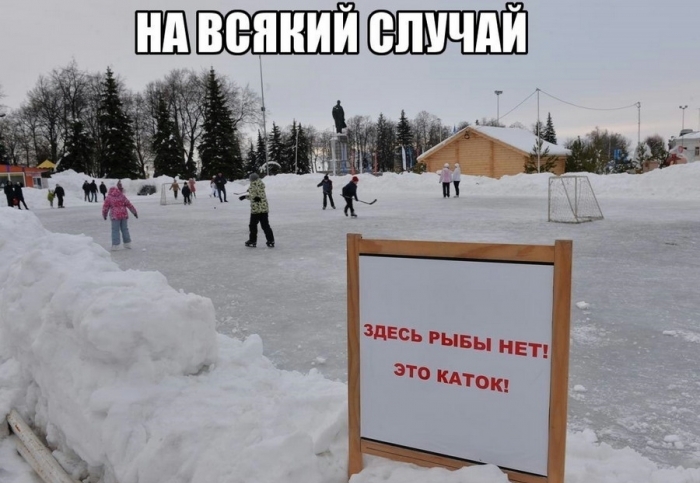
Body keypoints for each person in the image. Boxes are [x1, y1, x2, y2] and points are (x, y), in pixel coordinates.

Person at [239, 173, 274, 248]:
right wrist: (249, 194)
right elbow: (259, 196)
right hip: (264, 208)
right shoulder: (260, 184)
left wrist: (245, 197)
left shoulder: (253, 185)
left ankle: (252, 240)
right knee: (265, 225)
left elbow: (254, 197)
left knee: (252, 225)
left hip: (256, 209)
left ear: (252, 179)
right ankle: (271, 240)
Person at [102, 185, 138, 251]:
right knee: (125, 229)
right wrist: (134, 212)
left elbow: (105, 208)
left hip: (115, 216)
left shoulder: (109, 197)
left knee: (115, 230)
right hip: (124, 215)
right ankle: (127, 243)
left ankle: (115, 245)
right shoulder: (121, 196)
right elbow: (129, 204)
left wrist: (104, 215)